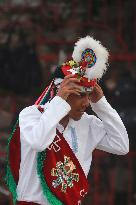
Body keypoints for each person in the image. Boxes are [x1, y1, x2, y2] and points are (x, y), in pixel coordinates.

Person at [6, 36, 129, 205]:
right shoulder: (31, 115)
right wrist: (60, 100)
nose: (86, 103)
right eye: (80, 95)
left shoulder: (88, 123)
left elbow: (121, 145)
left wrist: (100, 103)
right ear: (61, 90)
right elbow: (38, 142)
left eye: (89, 96)